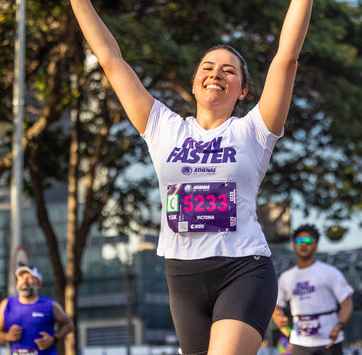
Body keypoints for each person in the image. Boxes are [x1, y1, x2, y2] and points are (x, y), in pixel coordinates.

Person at [69, 0, 312, 354]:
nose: (216, 74)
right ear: (195, 84)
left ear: (243, 91)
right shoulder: (162, 127)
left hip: (243, 269)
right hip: (182, 277)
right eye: (208, 68)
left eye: (229, 71)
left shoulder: (254, 131)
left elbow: (286, 58)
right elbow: (110, 59)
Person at [273, 224, 354, 355]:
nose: (303, 244)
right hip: (300, 342)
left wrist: (339, 326)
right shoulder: (286, 277)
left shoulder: (330, 272)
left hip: (329, 340)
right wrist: (279, 319)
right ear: (293, 246)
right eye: (299, 241)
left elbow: (347, 302)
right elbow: (276, 305)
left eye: (309, 241)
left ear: (315, 246)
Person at [0, 266, 74, 355]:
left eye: (29, 278)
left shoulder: (50, 305)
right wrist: (7, 336)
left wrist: (53, 339)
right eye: (20, 278)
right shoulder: (6, 304)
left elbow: (69, 325)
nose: (24, 281)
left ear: (39, 284)